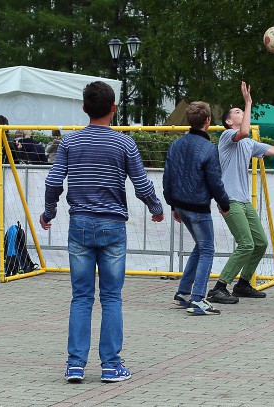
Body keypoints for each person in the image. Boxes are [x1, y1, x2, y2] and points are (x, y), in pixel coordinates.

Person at [39, 81, 164, 383]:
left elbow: (54, 182)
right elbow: (141, 184)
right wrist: (155, 206)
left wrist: (49, 212)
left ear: (84, 108)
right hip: (112, 226)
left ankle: (75, 365)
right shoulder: (124, 143)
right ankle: (111, 365)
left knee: (81, 297)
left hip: (80, 224)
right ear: (114, 109)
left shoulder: (69, 143)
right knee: (111, 297)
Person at [207, 82, 274, 304]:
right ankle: (219, 287)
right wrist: (248, 102)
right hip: (229, 200)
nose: (241, 112)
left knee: (260, 243)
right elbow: (244, 130)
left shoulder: (248, 143)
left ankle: (243, 284)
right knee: (246, 243)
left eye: (242, 109)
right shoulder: (227, 136)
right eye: (237, 111)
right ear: (229, 121)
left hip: (244, 201)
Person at [163, 101, 230, 315]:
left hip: (180, 205)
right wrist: (224, 203)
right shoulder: (209, 149)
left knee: (200, 247)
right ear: (208, 121)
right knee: (207, 248)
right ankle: (198, 299)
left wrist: (172, 204)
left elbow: (168, 177)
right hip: (198, 208)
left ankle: (183, 292)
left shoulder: (176, 144)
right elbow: (215, 181)